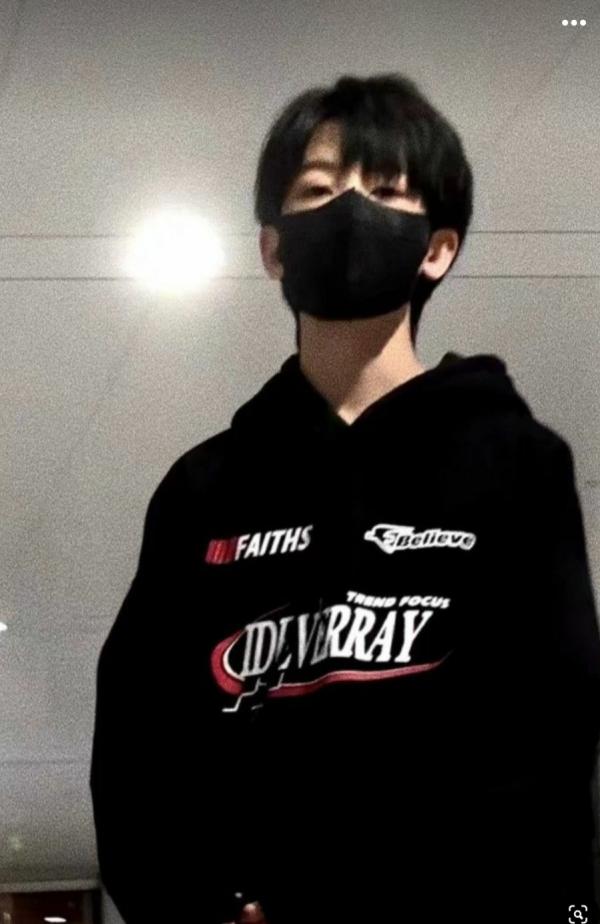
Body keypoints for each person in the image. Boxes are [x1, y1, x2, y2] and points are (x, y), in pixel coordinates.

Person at [90, 73, 600, 924]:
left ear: (437, 247)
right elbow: (139, 741)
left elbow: (556, 725)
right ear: (274, 248)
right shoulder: (201, 489)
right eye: (319, 190)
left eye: (386, 190)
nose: (351, 210)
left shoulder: (518, 464)